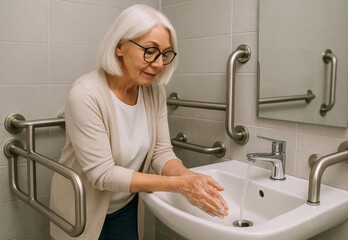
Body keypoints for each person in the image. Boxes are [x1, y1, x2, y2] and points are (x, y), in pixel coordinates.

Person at [49, 4, 228, 240]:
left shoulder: (154, 93)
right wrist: (179, 185)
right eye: (150, 50)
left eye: (164, 54)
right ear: (120, 46)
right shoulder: (85, 93)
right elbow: (102, 174)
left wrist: (189, 178)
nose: (159, 63)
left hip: (125, 206)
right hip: (81, 210)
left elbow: (161, 152)